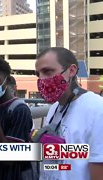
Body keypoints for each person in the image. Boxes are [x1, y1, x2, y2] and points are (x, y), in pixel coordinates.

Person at [35, 47, 103, 180]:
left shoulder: (97, 109)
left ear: (71, 70)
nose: (42, 79)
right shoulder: (54, 108)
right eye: (38, 74)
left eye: (48, 71)